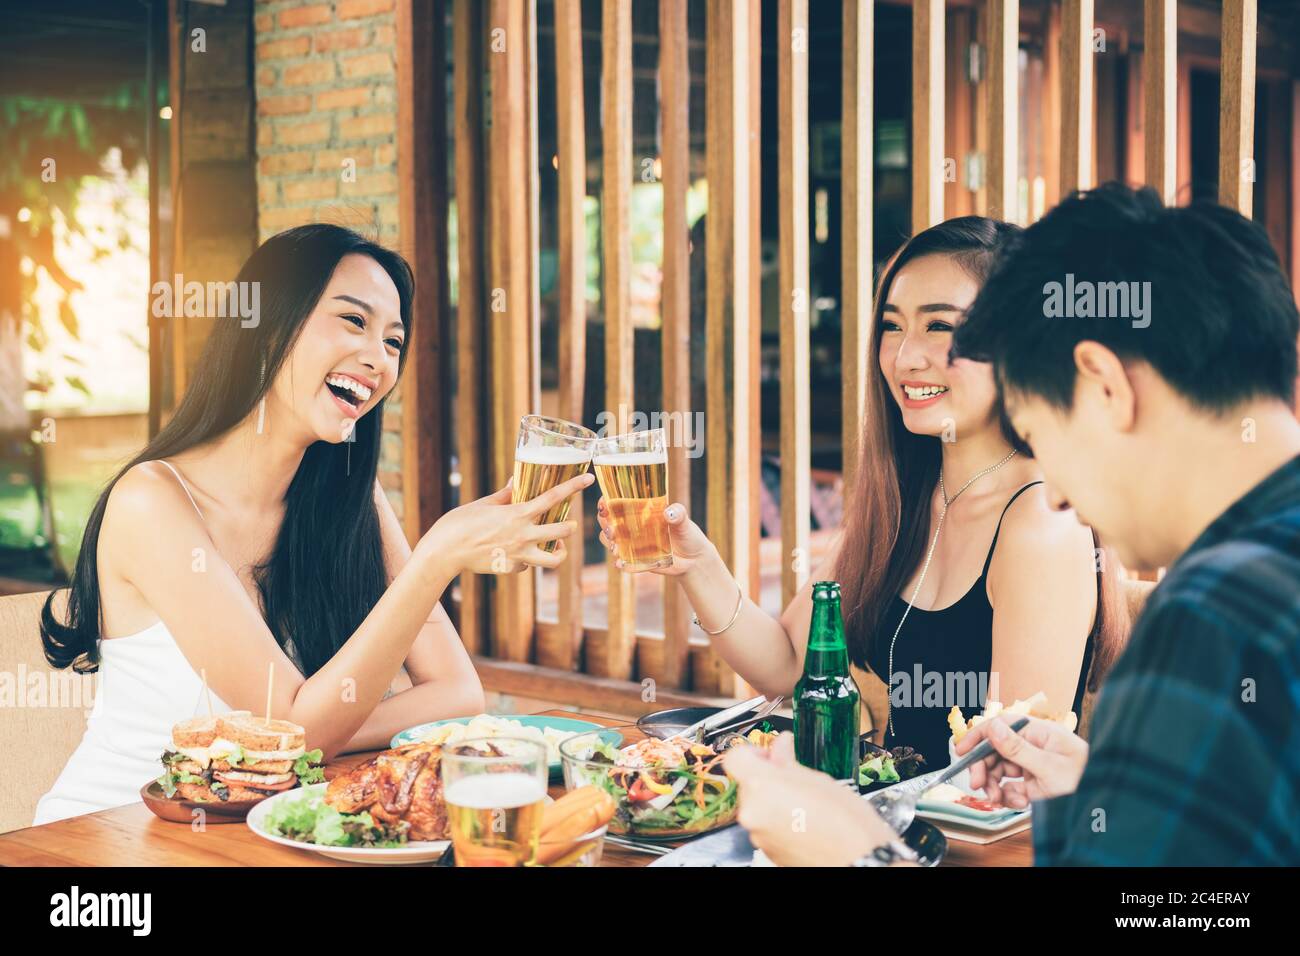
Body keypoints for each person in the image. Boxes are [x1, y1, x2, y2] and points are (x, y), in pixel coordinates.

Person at [727, 182, 1300, 866]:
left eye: (1041, 434)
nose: (1055, 494)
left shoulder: (1214, 613)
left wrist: (861, 855)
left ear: (1105, 386)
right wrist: (1101, 789)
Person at [33, 224, 591, 824]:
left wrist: (307, 737)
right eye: (354, 322)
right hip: (110, 838)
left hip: (255, 834)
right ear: (269, 328)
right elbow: (297, 727)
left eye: (394, 341)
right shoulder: (152, 501)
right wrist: (436, 560)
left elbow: (458, 695)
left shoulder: (348, 499)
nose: (378, 358)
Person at [600, 218, 1125, 769]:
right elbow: (786, 665)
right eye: (893, 327)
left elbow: (1011, 773)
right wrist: (698, 565)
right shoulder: (908, 496)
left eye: (941, 326)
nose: (905, 357)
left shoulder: (1040, 522)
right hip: (884, 824)